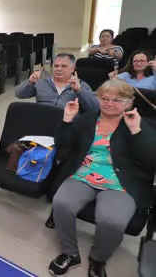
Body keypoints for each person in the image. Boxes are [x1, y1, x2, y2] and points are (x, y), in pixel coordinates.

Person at [48, 79, 156, 277]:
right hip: (84, 173)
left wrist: (137, 132)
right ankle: (70, 254)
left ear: (129, 102)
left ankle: (98, 259)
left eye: (117, 100)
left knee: (112, 221)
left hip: (120, 182)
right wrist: (67, 120)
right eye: (104, 98)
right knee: (61, 203)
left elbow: (151, 161)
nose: (109, 103)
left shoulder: (142, 123)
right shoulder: (88, 119)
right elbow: (63, 144)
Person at [15, 53, 99, 112]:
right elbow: (19, 94)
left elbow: (94, 108)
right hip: (42, 120)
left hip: (68, 124)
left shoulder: (81, 85)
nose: (59, 69)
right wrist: (29, 82)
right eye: (56, 66)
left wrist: (79, 91)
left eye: (64, 66)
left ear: (73, 68)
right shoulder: (42, 82)